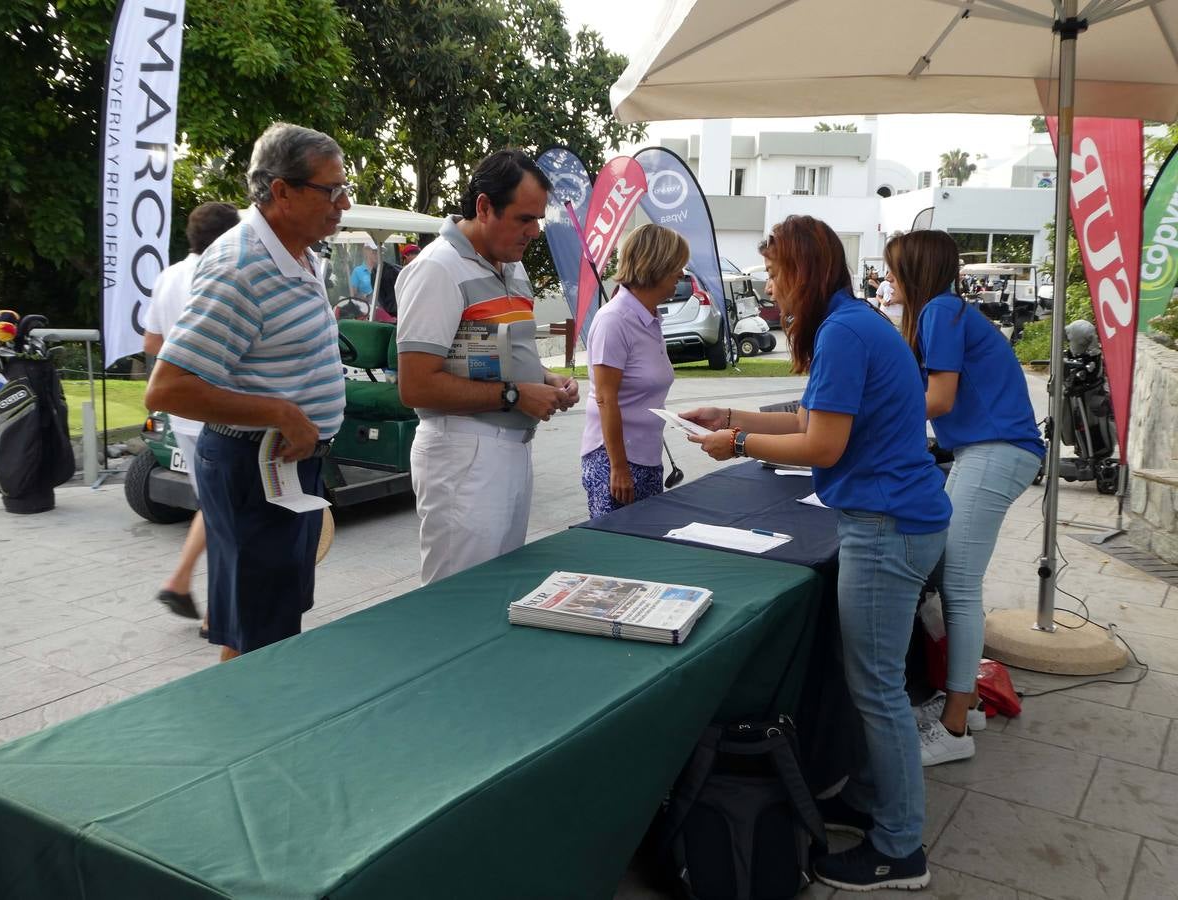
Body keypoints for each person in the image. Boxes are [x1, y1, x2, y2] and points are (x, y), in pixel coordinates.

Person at [684, 215, 949, 893]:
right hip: (900, 517)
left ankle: (899, 848)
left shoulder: (842, 332)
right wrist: (735, 419)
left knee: (877, 690)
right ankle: (868, 798)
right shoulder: (855, 324)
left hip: (886, 525)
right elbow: (810, 420)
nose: (771, 288)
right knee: (873, 680)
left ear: (804, 269)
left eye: (775, 274)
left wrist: (737, 449)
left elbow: (822, 449)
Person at [145, 122, 348, 661]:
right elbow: (167, 389)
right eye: (332, 190)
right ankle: (253, 732)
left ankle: (255, 723)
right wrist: (281, 411)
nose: (343, 203)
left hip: (282, 465)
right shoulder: (242, 266)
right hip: (253, 466)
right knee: (261, 630)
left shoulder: (298, 253)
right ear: (282, 191)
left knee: (266, 617)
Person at [884, 231, 1045, 766]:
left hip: (996, 450)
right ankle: (966, 702)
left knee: (957, 583)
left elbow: (939, 398)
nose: (887, 280)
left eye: (892, 270)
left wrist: (873, 423)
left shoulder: (940, 311)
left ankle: (954, 730)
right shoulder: (946, 312)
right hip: (989, 449)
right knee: (954, 575)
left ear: (915, 271)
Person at [395, 149, 578, 584]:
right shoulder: (438, 269)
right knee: (459, 600)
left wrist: (546, 380)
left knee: (496, 589)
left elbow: (504, 358)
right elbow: (415, 386)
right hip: (463, 451)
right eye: (524, 219)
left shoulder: (511, 267)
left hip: (508, 449)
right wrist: (515, 394)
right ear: (483, 206)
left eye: (538, 220)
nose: (534, 232)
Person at [142, 201, 240, 635]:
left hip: (182, 414)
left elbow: (152, 344)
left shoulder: (168, 276)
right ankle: (216, 612)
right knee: (228, 513)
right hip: (221, 411)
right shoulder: (222, 274)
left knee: (214, 505)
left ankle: (181, 580)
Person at [580, 224, 686, 517]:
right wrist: (619, 467)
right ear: (657, 264)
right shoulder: (614, 320)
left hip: (646, 457)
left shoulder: (649, 318)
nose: (682, 273)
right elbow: (605, 398)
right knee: (616, 552)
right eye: (677, 265)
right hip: (615, 462)